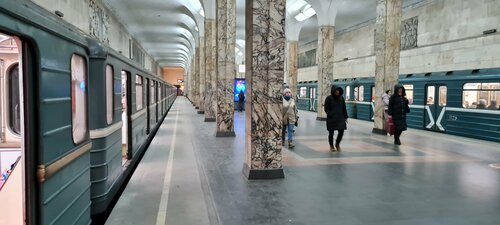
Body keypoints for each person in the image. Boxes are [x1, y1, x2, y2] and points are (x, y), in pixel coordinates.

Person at [324, 85, 348, 152]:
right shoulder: (328, 98)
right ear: (333, 91)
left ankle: (337, 144)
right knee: (331, 133)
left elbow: (344, 108)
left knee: (341, 131)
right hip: (331, 119)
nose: (337, 92)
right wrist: (331, 114)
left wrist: (346, 117)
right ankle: (331, 146)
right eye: (336, 91)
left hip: (340, 118)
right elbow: (326, 109)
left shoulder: (341, 98)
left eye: (338, 91)